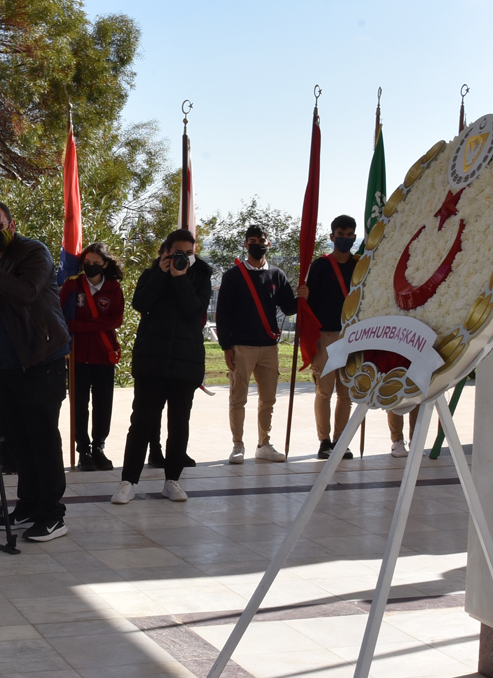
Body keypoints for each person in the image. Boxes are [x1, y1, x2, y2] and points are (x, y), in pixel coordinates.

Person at [0, 201, 72, 542]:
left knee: (42, 438)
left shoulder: (33, 251)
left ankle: (53, 514)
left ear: (11, 223)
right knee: (17, 440)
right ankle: (28, 505)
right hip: (8, 362)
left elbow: (28, 293)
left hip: (41, 358)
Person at [112, 230, 212, 504]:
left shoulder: (202, 277)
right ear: (164, 251)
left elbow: (194, 311)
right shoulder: (150, 274)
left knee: (178, 424)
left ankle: (173, 480)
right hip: (151, 360)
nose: (182, 258)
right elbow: (140, 303)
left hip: (186, 360)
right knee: (141, 423)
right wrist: (161, 274)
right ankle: (128, 481)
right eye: (175, 253)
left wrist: (180, 279)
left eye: (187, 253)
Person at [215, 224, 300, 463]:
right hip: (242, 346)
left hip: (269, 346)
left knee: (268, 398)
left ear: (268, 243)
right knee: (238, 398)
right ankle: (237, 445)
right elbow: (223, 314)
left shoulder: (277, 274)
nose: (257, 244)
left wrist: (302, 297)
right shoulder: (233, 276)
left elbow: (288, 307)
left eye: (261, 239)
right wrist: (226, 346)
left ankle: (264, 444)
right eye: (252, 240)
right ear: (246, 245)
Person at [60, 242, 125, 471]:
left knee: (103, 404)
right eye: (86, 263)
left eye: (96, 264)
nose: (90, 267)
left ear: (105, 265)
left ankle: (99, 447)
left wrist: (81, 326)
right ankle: (83, 450)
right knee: (79, 404)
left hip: (103, 355)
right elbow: (61, 316)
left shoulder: (114, 288)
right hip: (77, 355)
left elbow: (115, 320)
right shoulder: (72, 286)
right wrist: (79, 327)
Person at [306, 214, 358, 459]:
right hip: (325, 335)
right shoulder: (320, 266)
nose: (344, 239)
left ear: (355, 237)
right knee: (324, 392)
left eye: (349, 235)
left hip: (352, 336)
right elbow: (310, 305)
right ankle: (324, 441)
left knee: (345, 393)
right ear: (332, 236)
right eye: (340, 234)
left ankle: (341, 440)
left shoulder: (360, 265)